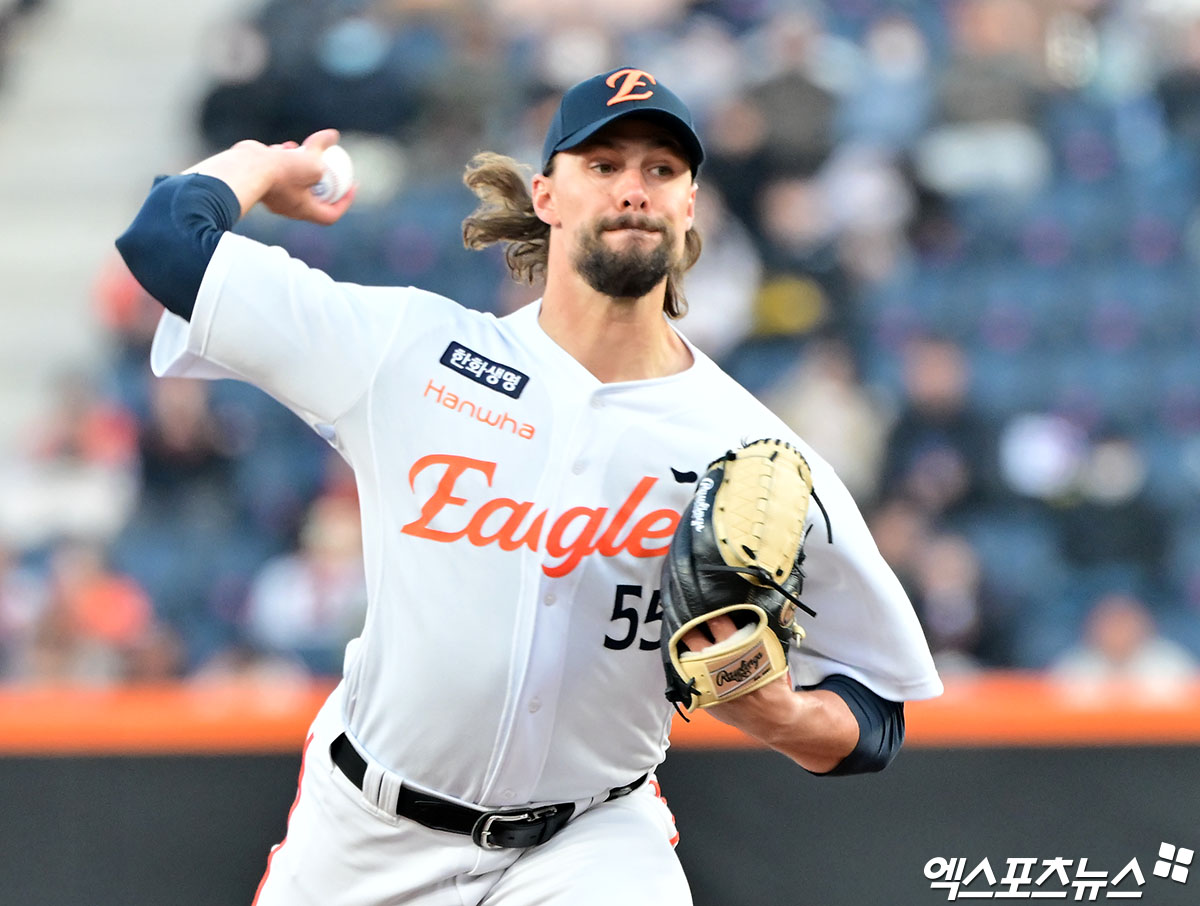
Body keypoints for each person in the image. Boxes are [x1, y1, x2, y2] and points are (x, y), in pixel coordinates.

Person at [115, 67, 942, 906]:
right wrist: (264, 164)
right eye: (603, 164)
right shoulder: (411, 352)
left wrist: (791, 719)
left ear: (691, 207)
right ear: (546, 195)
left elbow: (877, 710)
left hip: (593, 841)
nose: (634, 188)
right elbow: (164, 240)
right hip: (366, 835)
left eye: (661, 170)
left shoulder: (749, 447)